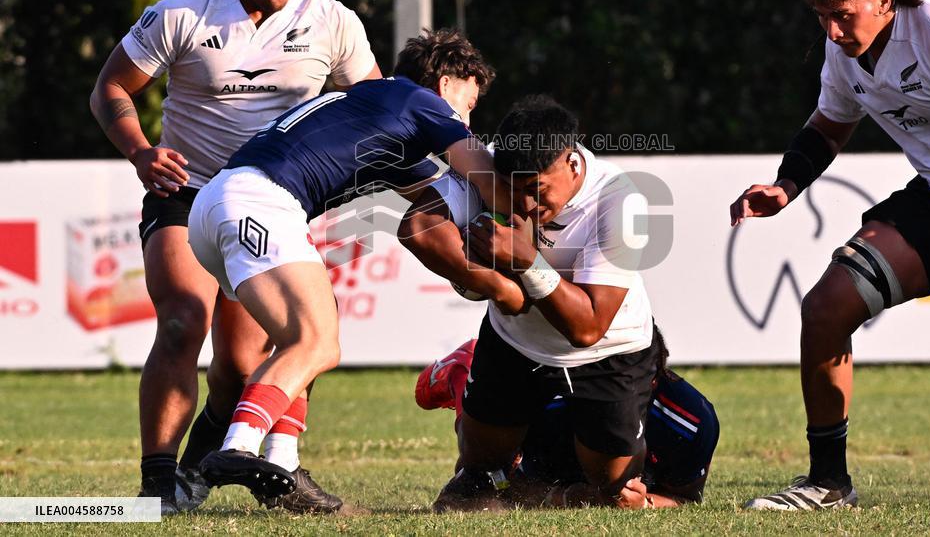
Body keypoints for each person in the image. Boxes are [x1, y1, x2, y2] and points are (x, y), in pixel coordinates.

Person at [89, 0, 382, 513]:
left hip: (270, 202)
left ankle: (204, 467)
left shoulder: (334, 21)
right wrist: (141, 152)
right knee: (181, 321)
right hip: (186, 192)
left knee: (244, 364)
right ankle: (157, 483)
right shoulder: (184, 12)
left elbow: (371, 109)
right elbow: (111, 87)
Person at [730, 0, 930, 511]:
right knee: (825, 308)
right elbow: (829, 125)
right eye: (822, 16)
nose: (831, 31)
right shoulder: (846, 49)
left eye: (841, 15)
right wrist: (785, 187)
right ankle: (828, 484)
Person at [189, 29, 501, 509]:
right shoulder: (420, 101)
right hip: (261, 201)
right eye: (469, 101)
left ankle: (282, 464)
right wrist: (522, 234)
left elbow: (434, 200)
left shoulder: (381, 108)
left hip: (218, 204)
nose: (468, 116)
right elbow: (484, 175)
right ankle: (238, 447)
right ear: (445, 84)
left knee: (305, 337)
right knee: (317, 342)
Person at [397, 95, 660, 511]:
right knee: (475, 480)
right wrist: (499, 287)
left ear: (572, 163)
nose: (525, 206)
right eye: (513, 190)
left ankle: (539, 468)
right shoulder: (489, 166)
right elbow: (418, 228)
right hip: (515, 342)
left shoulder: (620, 201)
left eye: (537, 191)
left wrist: (527, 262)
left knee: (613, 490)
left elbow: (587, 328)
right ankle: (471, 386)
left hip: (609, 351)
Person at [415, 331, 719, 509]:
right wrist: (565, 496)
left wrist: (645, 503)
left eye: (620, 381)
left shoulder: (692, 421)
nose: (607, 389)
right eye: (602, 377)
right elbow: (504, 480)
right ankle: (464, 372)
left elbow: (686, 500)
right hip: (539, 449)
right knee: (480, 479)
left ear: (655, 378)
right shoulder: (551, 399)